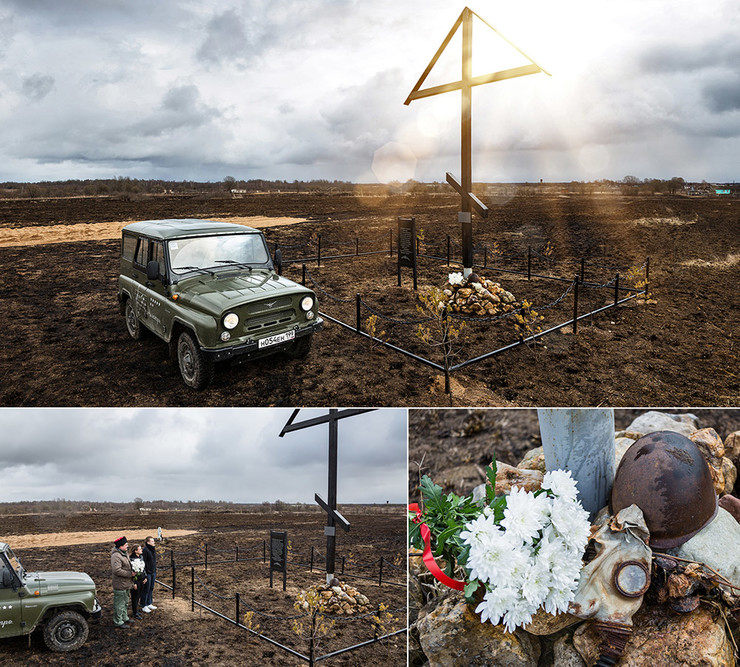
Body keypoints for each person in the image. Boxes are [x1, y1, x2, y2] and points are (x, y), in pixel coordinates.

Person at [111, 536, 135, 628]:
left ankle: (124, 617)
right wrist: (130, 574)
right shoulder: (116, 556)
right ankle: (118, 621)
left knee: (125, 602)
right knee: (119, 603)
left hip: (126, 583)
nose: (127, 546)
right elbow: (116, 570)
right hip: (120, 584)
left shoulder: (124, 553)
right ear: (120, 546)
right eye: (125, 545)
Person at [128, 544, 148, 620]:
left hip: (142, 579)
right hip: (136, 580)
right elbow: (132, 572)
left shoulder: (141, 557)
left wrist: (145, 577)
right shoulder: (131, 559)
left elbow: (143, 568)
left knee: (139, 595)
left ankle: (136, 610)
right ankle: (134, 612)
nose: (141, 550)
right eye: (140, 549)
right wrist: (134, 583)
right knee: (134, 596)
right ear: (135, 551)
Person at [141, 535, 158, 612]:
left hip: (153, 572)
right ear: (148, 542)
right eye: (152, 541)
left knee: (151, 588)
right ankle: (143, 605)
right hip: (147, 573)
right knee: (146, 589)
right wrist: (145, 573)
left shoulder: (152, 549)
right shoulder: (145, 550)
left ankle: (149, 603)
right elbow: (143, 562)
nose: (154, 542)